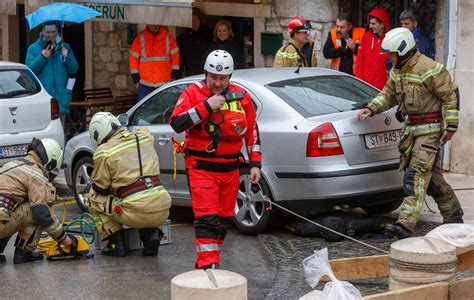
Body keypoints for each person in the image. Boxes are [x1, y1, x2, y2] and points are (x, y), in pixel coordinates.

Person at [356, 28, 463, 239]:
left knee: (414, 178)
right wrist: (372, 108)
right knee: (431, 180)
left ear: (403, 50)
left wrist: (451, 127)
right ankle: (454, 217)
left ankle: (404, 227)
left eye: (391, 53)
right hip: (411, 132)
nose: (389, 58)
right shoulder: (398, 70)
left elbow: (450, 96)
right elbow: (388, 94)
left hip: (430, 132)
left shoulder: (431, 69)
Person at [169, 50, 262, 269]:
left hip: (230, 168)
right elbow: (176, 123)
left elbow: (252, 131)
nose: (217, 83)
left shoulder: (242, 96)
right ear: (205, 73)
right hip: (201, 166)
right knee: (207, 219)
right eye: (213, 77)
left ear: (230, 77)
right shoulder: (193, 93)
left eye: (222, 78)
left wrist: (255, 163)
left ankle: (210, 260)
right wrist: (206, 106)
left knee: (224, 221)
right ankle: (207, 267)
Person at [86, 112, 172, 257]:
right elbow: (144, 131)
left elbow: (102, 188)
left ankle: (115, 244)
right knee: (147, 197)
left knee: (91, 197)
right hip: (163, 208)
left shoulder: (103, 151)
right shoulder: (144, 137)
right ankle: (151, 236)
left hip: (134, 212)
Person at [0, 138, 74, 264]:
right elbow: (42, 214)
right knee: (39, 209)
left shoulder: (11, 164)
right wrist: (63, 238)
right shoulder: (36, 173)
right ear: (51, 162)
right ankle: (24, 253)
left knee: (10, 208)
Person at [25, 22, 79, 125]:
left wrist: (67, 57)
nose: (51, 35)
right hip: (44, 100)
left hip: (62, 99)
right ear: (42, 33)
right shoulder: (33, 49)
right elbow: (29, 71)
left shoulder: (65, 47)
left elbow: (74, 70)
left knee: (60, 132)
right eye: (48, 32)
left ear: (58, 32)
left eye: (53, 32)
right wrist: (42, 57)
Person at [130, 25, 180, 100]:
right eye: (152, 23)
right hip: (145, 85)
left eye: (156, 23)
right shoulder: (140, 38)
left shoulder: (168, 37)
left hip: (164, 84)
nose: (154, 26)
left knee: (163, 110)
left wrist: (174, 79)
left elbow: (176, 60)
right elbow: (133, 59)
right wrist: (136, 81)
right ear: (148, 23)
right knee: (145, 111)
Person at [355, 7, 390, 90]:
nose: (370, 26)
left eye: (373, 24)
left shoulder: (389, 38)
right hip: (366, 86)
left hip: (384, 87)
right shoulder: (366, 36)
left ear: (382, 24)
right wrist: (359, 82)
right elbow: (360, 60)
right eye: (370, 23)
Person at [177, 8, 212, 77]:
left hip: (205, 74)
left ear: (200, 20)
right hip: (190, 75)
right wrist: (177, 77)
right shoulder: (183, 38)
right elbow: (180, 60)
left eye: (196, 20)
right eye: (192, 20)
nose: (194, 22)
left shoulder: (208, 35)